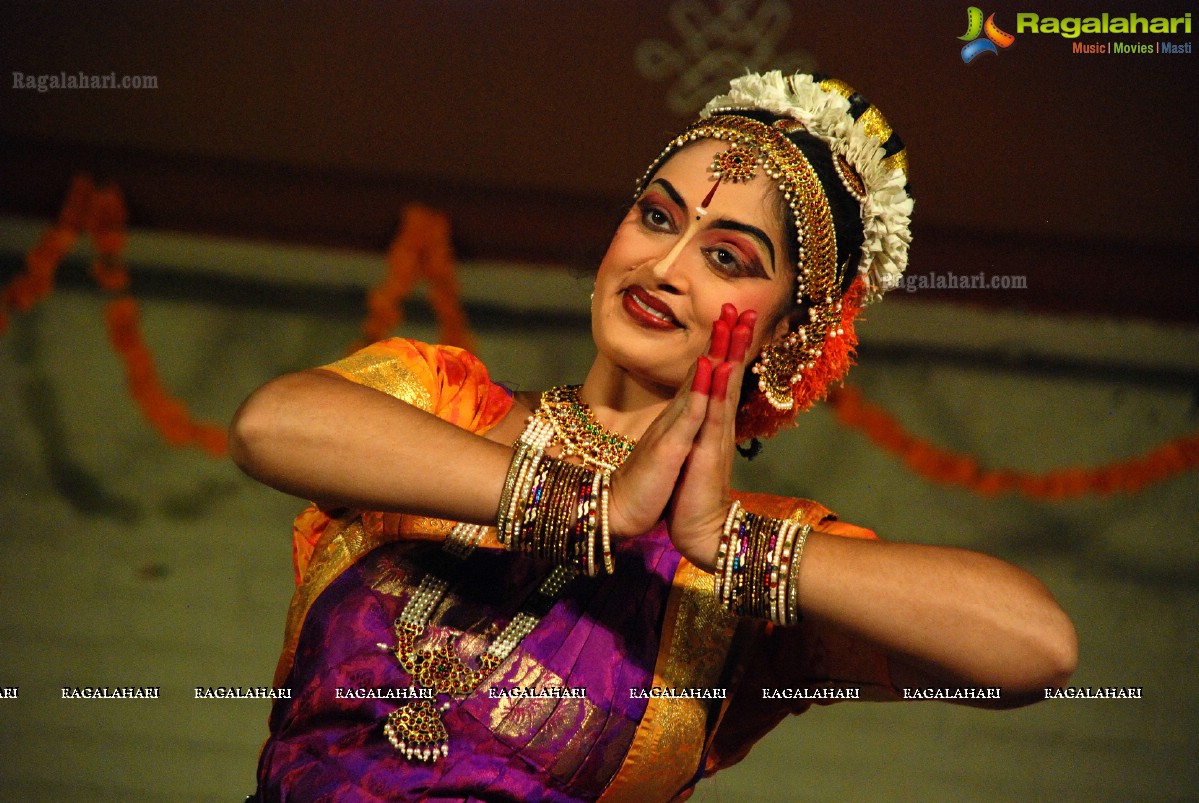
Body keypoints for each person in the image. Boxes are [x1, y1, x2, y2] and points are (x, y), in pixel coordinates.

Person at [231, 71, 1076, 802]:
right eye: (657, 216)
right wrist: (591, 503)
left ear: (788, 338)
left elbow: (1033, 651)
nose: (665, 267)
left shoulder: (737, 589)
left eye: (729, 260)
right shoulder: (447, 400)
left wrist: (718, 538)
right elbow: (271, 425)